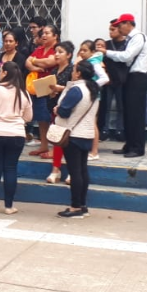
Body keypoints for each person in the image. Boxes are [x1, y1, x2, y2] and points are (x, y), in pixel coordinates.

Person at [0, 61, 33, 214]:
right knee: (10, 168)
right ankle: (9, 206)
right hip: (16, 133)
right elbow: (28, 117)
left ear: (5, 73)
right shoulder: (23, 92)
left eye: (1, 70)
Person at [96, 13, 147, 158]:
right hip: (130, 77)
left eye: (120, 25)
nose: (119, 29)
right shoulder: (131, 38)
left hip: (138, 77)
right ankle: (129, 145)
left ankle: (137, 148)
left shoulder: (138, 37)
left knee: (135, 114)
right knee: (128, 112)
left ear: (128, 24)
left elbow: (127, 56)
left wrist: (106, 52)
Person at [54, 60, 100, 218]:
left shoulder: (77, 89)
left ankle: (75, 207)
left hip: (73, 134)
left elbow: (64, 111)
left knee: (75, 171)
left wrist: (57, 109)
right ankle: (83, 205)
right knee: (82, 170)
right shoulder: (93, 89)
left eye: (74, 69)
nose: (72, 71)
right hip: (87, 134)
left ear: (79, 73)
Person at [24, 25, 59, 158]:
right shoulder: (39, 49)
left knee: (53, 119)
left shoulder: (58, 49)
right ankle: (43, 146)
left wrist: (35, 61)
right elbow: (27, 63)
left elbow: (50, 62)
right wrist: (37, 68)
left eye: (47, 33)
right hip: (39, 86)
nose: (43, 36)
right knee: (42, 119)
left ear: (55, 36)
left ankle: (55, 149)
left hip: (52, 87)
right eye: (43, 33)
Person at [45, 41, 75, 183]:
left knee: (69, 141)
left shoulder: (72, 70)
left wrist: (59, 88)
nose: (56, 55)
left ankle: (71, 171)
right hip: (54, 108)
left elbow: (75, 89)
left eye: (60, 52)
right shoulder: (54, 71)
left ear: (69, 55)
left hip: (68, 110)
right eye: (55, 51)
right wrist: (51, 92)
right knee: (57, 140)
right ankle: (55, 170)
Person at [77, 40, 109, 159]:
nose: (82, 53)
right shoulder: (86, 62)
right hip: (88, 95)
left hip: (93, 96)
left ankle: (94, 151)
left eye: (85, 50)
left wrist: (92, 85)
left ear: (92, 52)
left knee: (93, 123)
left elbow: (105, 78)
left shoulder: (94, 63)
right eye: (81, 50)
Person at [99, 22, 128, 141]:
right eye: (109, 30)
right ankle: (105, 130)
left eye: (113, 30)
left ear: (120, 29)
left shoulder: (127, 44)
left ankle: (120, 130)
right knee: (106, 106)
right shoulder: (106, 44)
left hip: (123, 80)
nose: (110, 32)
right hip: (108, 80)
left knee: (122, 107)